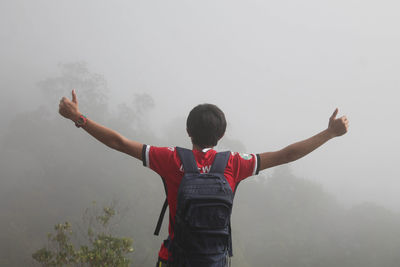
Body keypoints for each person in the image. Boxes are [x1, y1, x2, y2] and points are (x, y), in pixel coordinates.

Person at [59, 90, 349, 266]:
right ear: (221, 135)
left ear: (188, 132)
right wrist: (330, 133)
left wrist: (79, 118)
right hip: (214, 262)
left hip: (175, 260)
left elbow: (119, 143)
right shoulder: (235, 164)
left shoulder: (171, 159)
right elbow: (286, 154)